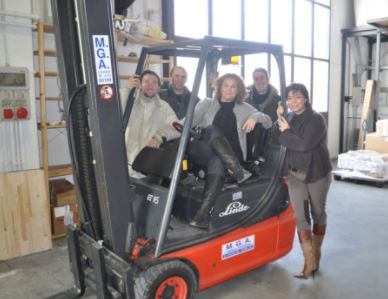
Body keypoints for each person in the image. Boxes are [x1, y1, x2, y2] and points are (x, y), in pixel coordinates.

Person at [188, 73, 273, 229]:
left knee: (218, 160)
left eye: (233, 86)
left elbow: (268, 121)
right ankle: (239, 172)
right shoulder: (207, 103)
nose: (229, 89)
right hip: (204, 152)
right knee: (211, 129)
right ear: (219, 87)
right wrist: (162, 136)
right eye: (226, 85)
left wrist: (255, 116)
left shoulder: (245, 108)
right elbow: (187, 122)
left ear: (238, 90)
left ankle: (202, 214)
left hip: (228, 157)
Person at [276, 83, 332, 279]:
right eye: (289, 98)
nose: (293, 102)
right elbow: (283, 142)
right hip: (295, 174)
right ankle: (309, 263)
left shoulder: (316, 119)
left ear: (306, 98)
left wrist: (285, 131)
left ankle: (316, 254)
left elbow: (303, 145)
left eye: (297, 97)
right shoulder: (288, 118)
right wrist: (280, 118)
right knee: (300, 217)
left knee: (318, 213)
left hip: (316, 173)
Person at [124, 70, 179, 178]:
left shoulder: (164, 107)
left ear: (159, 87)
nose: (150, 85)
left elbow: (178, 128)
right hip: (124, 164)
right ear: (139, 84)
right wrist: (126, 89)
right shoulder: (129, 102)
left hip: (148, 167)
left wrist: (160, 136)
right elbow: (110, 111)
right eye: (146, 81)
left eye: (154, 82)